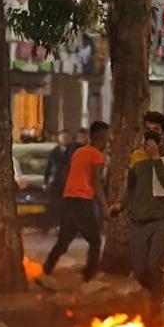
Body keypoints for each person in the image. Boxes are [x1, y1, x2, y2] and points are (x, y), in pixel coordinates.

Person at [109, 111, 164, 327]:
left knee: (154, 265)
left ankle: (155, 312)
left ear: (163, 133)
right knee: (139, 270)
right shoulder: (136, 156)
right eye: (148, 128)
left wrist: (156, 157)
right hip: (138, 219)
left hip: (163, 218)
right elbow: (131, 188)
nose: (151, 133)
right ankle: (149, 302)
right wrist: (120, 204)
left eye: (156, 130)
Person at [40, 121, 109, 284]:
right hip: (82, 201)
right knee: (95, 240)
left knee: (64, 240)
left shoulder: (78, 152)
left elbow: (66, 173)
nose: (107, 141)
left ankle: (47, 269)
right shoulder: (97, 155)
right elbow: (97, 182)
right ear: (100, 138)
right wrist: (104, 206)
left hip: (68, 199)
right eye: (106, 138)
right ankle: (89, 277)